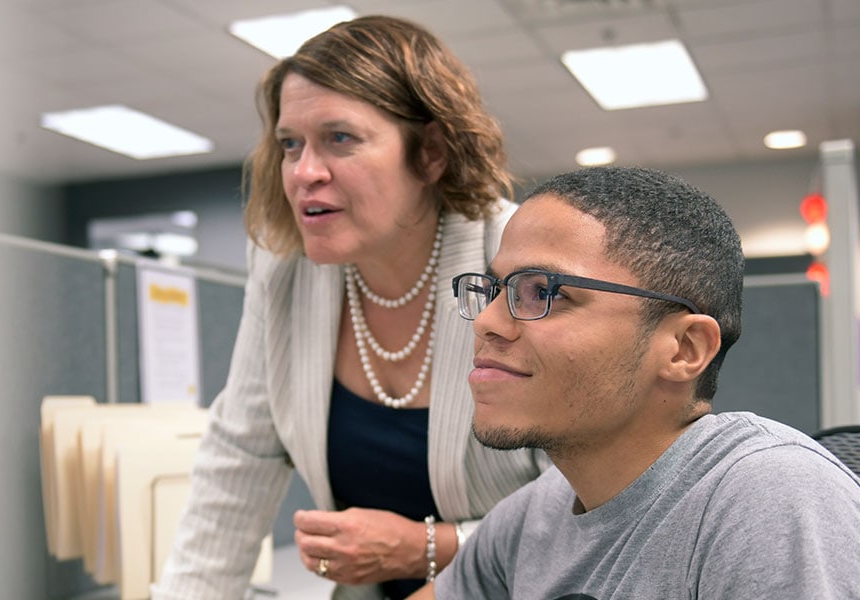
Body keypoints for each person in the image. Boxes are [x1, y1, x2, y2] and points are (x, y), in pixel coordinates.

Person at [152, 15, 545, 600]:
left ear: (431, 152)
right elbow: (241, 456)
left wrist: (426, 547)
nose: (305, 171)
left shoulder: (519, 269)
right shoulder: (285, 269)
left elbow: (595, 505)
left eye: (340, 138)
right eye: (291, 144)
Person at [408, 165, 860, 599]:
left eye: (544, 291)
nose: (485, 321)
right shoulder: (537, 513)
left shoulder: (768, 498)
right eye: (493, 290)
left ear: (685, 348)